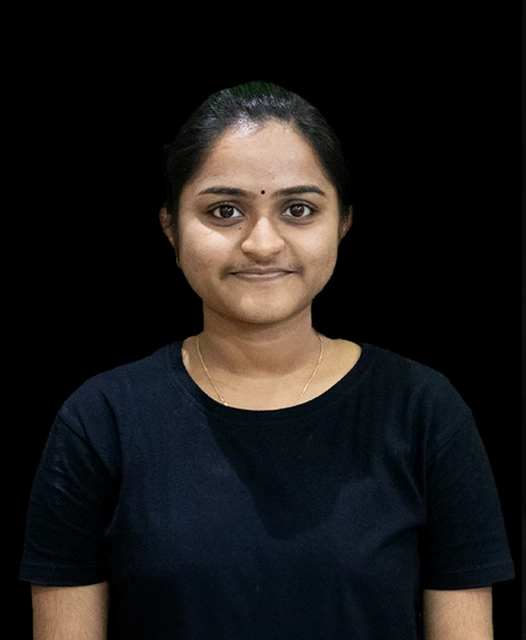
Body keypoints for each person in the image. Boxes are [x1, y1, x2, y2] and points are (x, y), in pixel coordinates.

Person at [18, 81, 515, 639]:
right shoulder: (101, 421)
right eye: (224, 210)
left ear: (343, 223)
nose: (262, 243)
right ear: (170, 228)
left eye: (298, 209)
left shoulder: (424, 412)